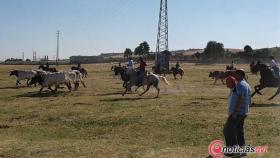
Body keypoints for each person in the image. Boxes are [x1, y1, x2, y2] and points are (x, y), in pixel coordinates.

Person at [223, 70, 251, 157]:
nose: (234, 75)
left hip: (238, 113)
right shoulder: (246, 84)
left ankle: (235, 151)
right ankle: (242, 151)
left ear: (240, 75)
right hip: (244, 112)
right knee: (239, 131)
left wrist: (236, 112)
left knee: (228, 130)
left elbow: (240, 98)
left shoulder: (240, 84)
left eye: (235, 74)